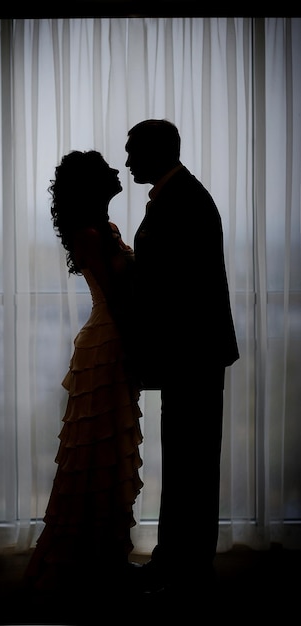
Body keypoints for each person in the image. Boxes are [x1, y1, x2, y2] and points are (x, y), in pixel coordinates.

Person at [125, 119, 240, 596]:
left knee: (191, 464)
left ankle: (188, 566)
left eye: (133, 151)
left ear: (157, 152)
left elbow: (177, 288)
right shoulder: (182, 194)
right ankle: (179, 559)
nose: (128, 160)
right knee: (185, 461)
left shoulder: (185, 200)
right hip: (190, 355)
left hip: (193, 355)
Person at [22, 150, 143, 600]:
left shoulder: (105, 230)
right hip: (107, 342)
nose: (118, 172)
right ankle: (88, 562)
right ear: (94, 185)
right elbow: (118, 300)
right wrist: (139, 350)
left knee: (108, 450)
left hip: (111, 339)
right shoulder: (89, 234)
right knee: (97, 450)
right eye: (108, 169)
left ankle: (106, 555)